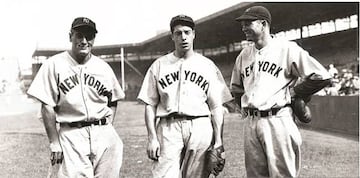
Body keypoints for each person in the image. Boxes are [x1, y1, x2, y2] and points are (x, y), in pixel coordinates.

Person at [230, 6, 331, 177]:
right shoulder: (244, 55)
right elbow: (236, 89)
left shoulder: (287, 48)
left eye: (248, 23)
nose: (243, 28)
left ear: (263, 24)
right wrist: (245, 109)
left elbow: (321, 76)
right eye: (242, 24)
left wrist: (294, 92)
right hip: (251, 123)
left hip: (277, 120)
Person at [27, 17, 125, 177]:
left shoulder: (103, 67)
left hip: (104, 133)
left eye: (89, 36)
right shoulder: (54, 65)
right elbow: (46, 105)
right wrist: (54, 142)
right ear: (70, 36)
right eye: (79, 35)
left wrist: (108, 126)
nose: (84, 41)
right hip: (72, 134)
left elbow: (113, 100)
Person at [137, 14, 233, 177]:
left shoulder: (207, 65)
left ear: (194, 34)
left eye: (187, 32)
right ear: (172, 36)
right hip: (168, 127)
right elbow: (150, 105)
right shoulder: (159, 65)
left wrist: (218, 142)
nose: (183, 37)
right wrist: (152, 138)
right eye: (178, 33)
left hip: (199, 125)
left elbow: (216, 107)